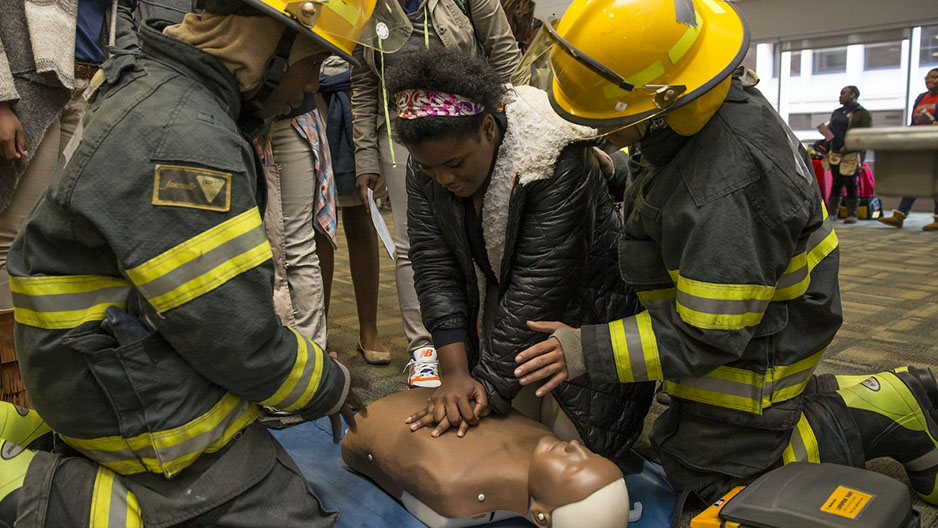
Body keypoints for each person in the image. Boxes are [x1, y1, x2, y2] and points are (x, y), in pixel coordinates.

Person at [511, 0, 938, 506]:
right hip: (748, 298)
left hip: (761, 328)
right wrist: (620, 173)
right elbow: (675, 189)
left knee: (711, 478)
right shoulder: (698, 106)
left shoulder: (725, 185)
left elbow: (708, 334)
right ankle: (848, 399)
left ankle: (890, 412)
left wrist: (588, 350)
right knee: (696, 429)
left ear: (667, 100)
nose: (598, 127)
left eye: (609, 117)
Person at [0, 0, 403, 522]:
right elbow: (235, 335)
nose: (308, 88)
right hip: (132, 406)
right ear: (266, 43)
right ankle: (59, 501)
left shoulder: (154, 83)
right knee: (292, 513)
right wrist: (330, 385)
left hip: (102, 364)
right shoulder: (184, 137)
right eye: (311, 64)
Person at [391, 49, 653, 460]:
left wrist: (486, 388)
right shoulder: (428, 160)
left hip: (582, 308)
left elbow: (539, 282)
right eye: (429, 169)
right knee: (496, 443)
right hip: (509, 307)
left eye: (455, 164)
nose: (443, 179)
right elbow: (434, 265)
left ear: (488, 128)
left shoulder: (553, 157)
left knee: (568, 457)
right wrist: (457, 374)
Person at [350, 0, 524, 385]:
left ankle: (490, 343)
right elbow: (363, 83)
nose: (442, 179)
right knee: (415, 245)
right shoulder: (367, 7)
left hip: (469, 130)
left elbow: (505, 54)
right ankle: (425, 349)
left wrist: (521, 127)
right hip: (404, 140)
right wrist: (365, 155)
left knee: (491, 234)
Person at [0, 0, 117, 407]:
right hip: (28, 85)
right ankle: (13, 395)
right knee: (12, 240)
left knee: (65, 241)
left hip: (90, 86)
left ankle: (54, 386)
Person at [342, 388, 631, 528]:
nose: (576, 448)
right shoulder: (540, 435)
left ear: (540, 515)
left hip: (378, 419)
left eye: (573, 467)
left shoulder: (458, 487)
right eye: (590, 455)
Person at [877, 67, 938, 231]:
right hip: (922, 144)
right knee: (917, 179)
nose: (929, 80)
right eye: (927, 77)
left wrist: (933, 123)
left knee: (934, 180)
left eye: (934, 77)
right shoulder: (920, 98)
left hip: (935, 144)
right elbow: (914, 121)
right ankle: (900, 215)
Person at [824, 84, 872, 224]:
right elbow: (831, 130)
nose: (840, 96)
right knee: (836, 182)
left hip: (852, 153)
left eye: (844, 93)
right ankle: (833, 213)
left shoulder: (862, 113)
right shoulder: (837, 112)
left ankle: (852, 214)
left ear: (853, 95)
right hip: (835, 152)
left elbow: (864, 134)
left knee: (851, 183)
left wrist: (849, 146)